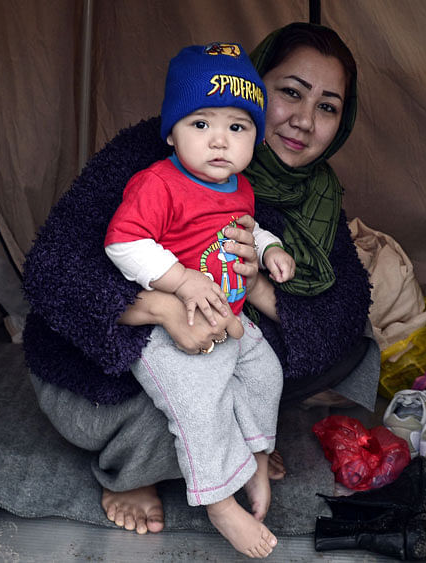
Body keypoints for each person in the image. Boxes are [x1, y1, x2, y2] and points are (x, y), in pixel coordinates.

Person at [21, 21, 375, 547]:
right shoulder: (160, 152)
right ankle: (139, 473)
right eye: (291, 93)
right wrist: (162, 308)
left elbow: (341, 314)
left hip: (221, 344)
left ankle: (239, 448)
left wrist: (258, 289)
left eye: (327, 106)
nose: (303, 120)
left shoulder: (316, 194)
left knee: (334, 352)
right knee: (186, 406)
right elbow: (52, 268)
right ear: (255, 85)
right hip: (113, 370)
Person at [103, 42, 295, 558]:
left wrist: (269, 248)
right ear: (172, 132)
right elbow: (124, 242)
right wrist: (184, 281)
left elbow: (246, 232)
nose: (219, 141)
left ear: (256, 136)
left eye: (237, 127)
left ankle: (256, 456)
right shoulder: (158, 183)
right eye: (200, 124)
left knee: (265, 374)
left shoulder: (240, 188)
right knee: (200, 404)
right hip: (172, 327)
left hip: (230, 316)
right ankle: (218, 502)